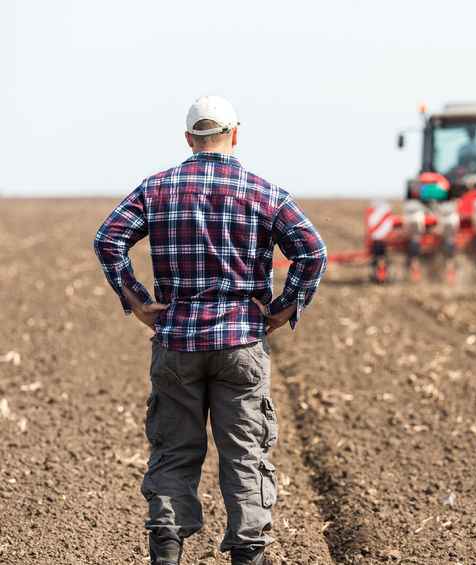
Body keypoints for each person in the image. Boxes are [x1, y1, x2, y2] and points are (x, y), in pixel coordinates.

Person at [93, 95, 327, 565]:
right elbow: (313, 252)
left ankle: (166, 552)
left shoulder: (157, 188)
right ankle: (249, 555)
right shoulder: (263, 192)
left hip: (176, 343)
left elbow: (108, 239)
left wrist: (137, 301)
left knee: (174, 452)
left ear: (188, 139)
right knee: (245, 454)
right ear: (235, 135)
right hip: (241, 342)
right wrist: (282, 310)